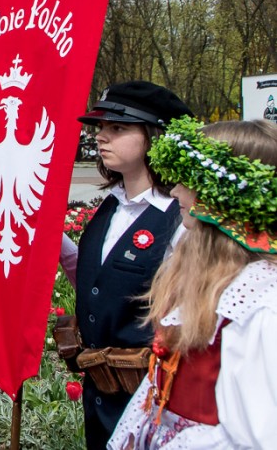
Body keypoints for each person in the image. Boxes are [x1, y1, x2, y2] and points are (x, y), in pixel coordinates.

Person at [109, 118, 277, 449]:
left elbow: (260, 436)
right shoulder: (215, 286)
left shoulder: (258, 306)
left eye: (188, 181)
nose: (175, 191)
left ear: (222, 195)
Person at [72, 81, 191, 450]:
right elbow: (97, 281)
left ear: (155, 136)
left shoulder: (180, 219)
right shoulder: (112, 205)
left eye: (118, 128)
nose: (101, 137)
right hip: (101, 397)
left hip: (152, 402)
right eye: (100, 127)